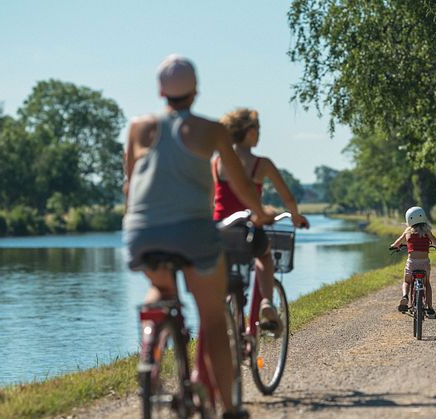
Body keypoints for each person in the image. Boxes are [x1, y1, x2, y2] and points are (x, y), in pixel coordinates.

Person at [122, 54, 272, 418]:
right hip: (193, 233)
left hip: (142, 233)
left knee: (161, 289)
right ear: (196, 91)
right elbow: (239, 181)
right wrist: (259, 211)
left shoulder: (138, 128)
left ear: (160, 91)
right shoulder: (212, 131)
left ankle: (153, 345)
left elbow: (129, 186)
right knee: (213, 317)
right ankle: (230, 408)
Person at [212, 107, 310, 331]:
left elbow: (212, 201)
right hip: (248, 228)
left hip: (220, 232)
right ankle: (266, 302)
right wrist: (295, 216)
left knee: (223, 275)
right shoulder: (261, 163)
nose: (260, 134)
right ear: (248, 132)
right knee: (264, 256)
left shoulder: (217, 163)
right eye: (258, 129)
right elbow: (288, 197)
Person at [390, 206, 436, 317]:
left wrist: (394, 246)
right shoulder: (427, 231)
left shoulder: (407, 232)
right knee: (427, 283)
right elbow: (435, 242)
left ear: (409, 219)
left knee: (407, 281)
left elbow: (397, 243)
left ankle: (405, 296)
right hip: (424, 263)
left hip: (412, 263)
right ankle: (430, 308)